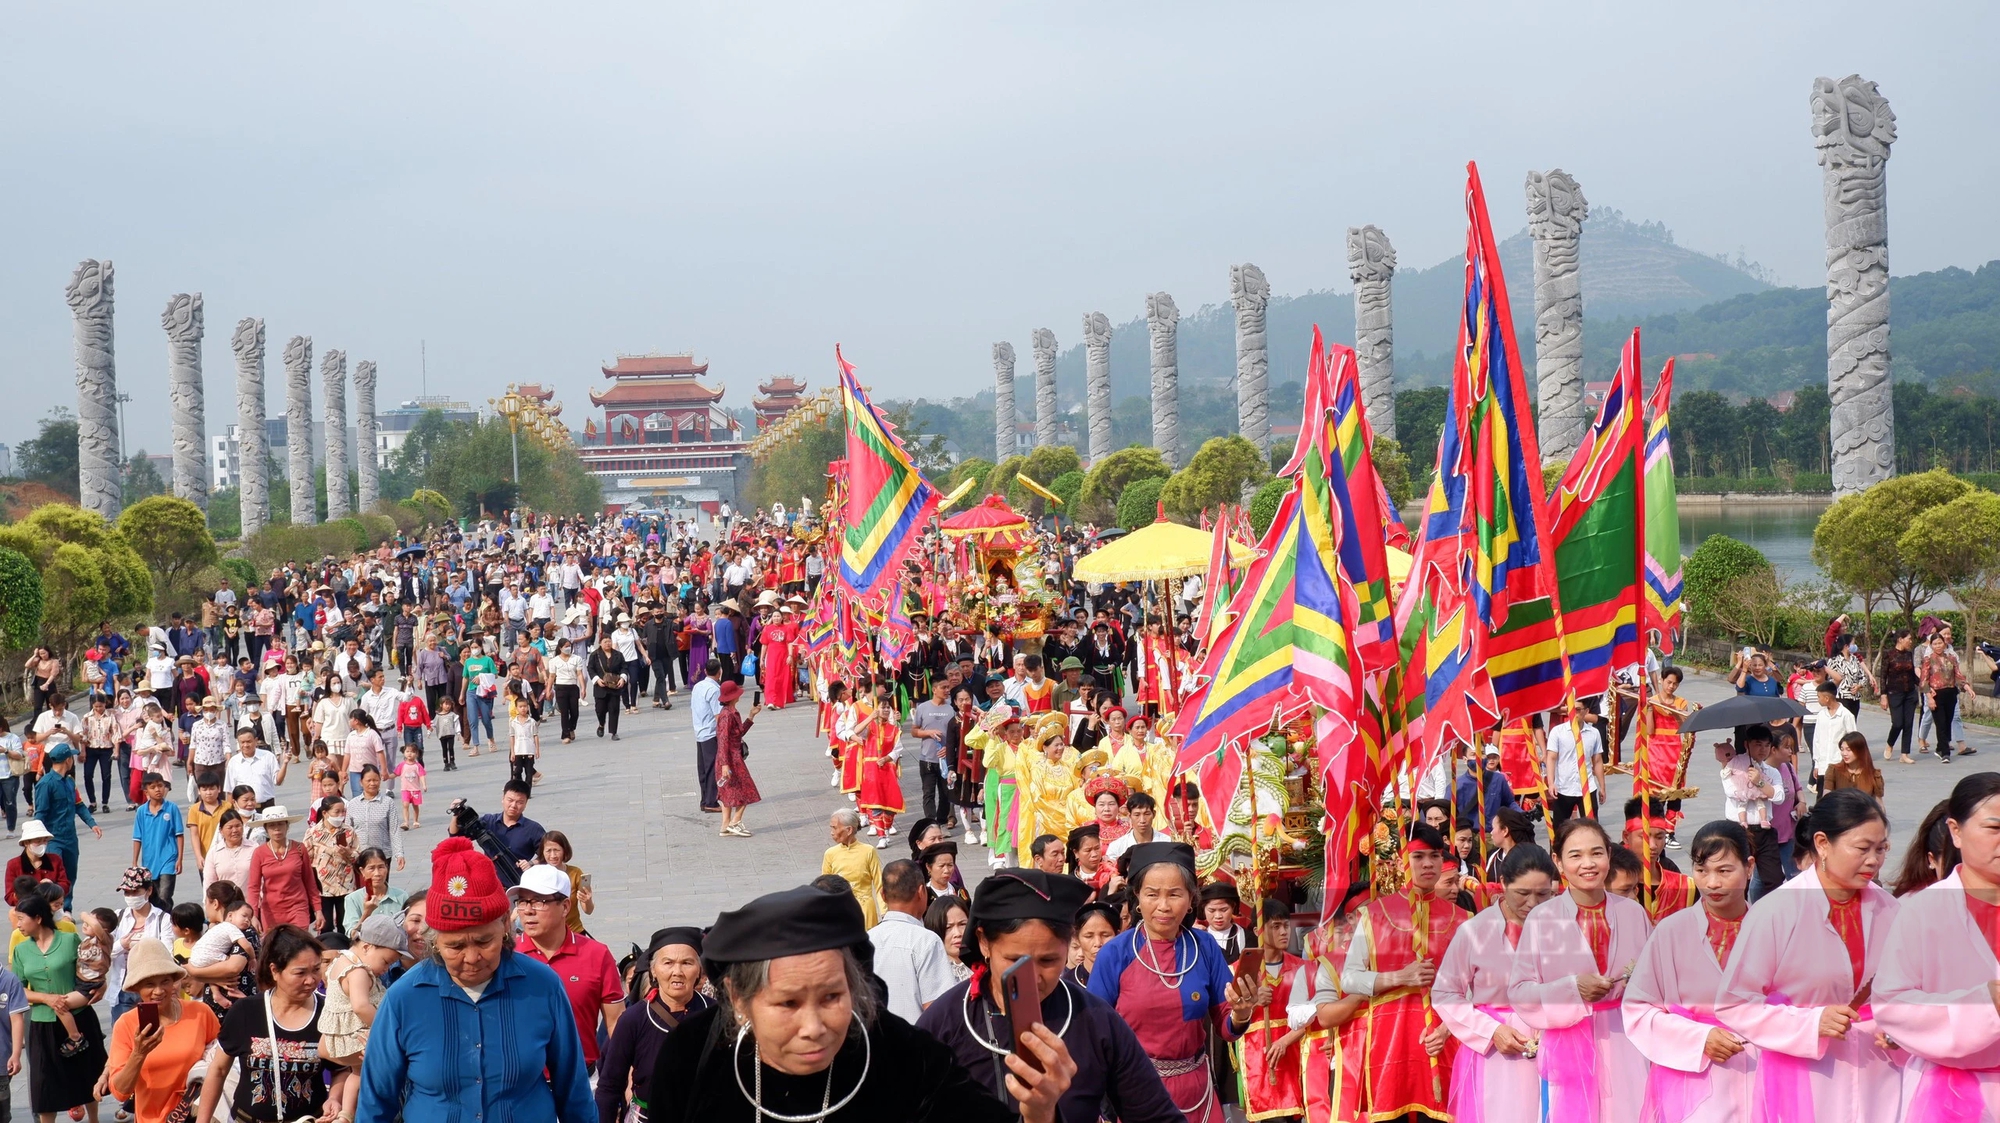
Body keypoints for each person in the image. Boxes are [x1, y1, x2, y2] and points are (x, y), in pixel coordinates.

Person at [647, 883, 1071, 1122]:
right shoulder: (694, 1055)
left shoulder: (905, 1056)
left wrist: (1039, 1112)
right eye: (788, 1004)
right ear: (740, 1001)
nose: (813, 1026)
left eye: (832, 996)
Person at [357, 836, 596, 1121]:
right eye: (455, 946)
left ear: (506, 927)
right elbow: (376, 1102)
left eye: (484, 942)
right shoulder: (404, 997)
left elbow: (574, 1090)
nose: (471, 958)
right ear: (432, 940)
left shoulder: (543, 986)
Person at [917, 867, 1180, 1121]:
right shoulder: (944, 1025)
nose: (1032, 978)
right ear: (984, 942)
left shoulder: (1096, 1021)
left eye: (1048, 961)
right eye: (1015, 961)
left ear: (1068, 947)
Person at [1715, 788, 1900, 1123]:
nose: (1874, 859)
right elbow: (1734, 1004)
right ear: (1822, 843)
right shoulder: (1776, 911)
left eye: (1881, 849)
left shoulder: (1891, 910)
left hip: (1880, 1073)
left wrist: (1902, 1025)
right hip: (1805, 1076)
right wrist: (1811, 1023)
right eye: (1862, 848)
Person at [1087, 842, 1257, 1122]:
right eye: (1152, 894)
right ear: (1137, 898)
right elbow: (1093, 1035)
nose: (1163, 906)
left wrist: (1241, 1012)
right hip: (1135, 1091)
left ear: (1192, 899)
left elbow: (1227, 1026)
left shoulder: (1203, 947)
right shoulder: (1115, 953)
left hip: (1198, 1092)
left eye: (1175, 894)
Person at [1507, 816, 1653, 1123]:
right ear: (1559, 862)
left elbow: (1656, 981)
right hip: (1567, 1047)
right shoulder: (1542, 919)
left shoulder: (1633, 913)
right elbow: (1520, 992)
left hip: (1626, 1042)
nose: (1588, 863)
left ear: (1609, 856)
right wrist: (1573, 989)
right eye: (1576, 855)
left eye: (1596, 853)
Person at [1876, 771, 2000, 1115]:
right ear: (1956, 832)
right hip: (1947, 1096)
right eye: (1994, 828)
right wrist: (1984, 1004)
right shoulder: (1921, 910)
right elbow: (1891, 1005)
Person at [1621, 820, 1756, 1123]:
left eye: (1724, 871)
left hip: (1763, 1077)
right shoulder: (1671, 932)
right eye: (1702, 870)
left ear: (1749, 867)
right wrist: (1699, 1038)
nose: (1712, 883)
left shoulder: (1774, 929)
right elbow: (1638, 1012)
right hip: (1692, 1082)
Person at [1337, 822, 1466, 1121]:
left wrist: (1448, 1029)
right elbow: (1350, 978)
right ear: (1401, 861)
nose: (1427, 864)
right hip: (1390, 1043)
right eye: (1418, 856)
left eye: (1434, 856)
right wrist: (1400, 978)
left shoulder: (1462, 919)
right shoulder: (1374, 914)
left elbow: (1474, 986)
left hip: (1444, 1039)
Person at [1434, 843, 1559, 1119]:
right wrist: (1491, 1031)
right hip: (1496, 1052)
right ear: (1502, 883)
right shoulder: (1474, 931)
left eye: (1543, 894)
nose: (1533, 904)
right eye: (1523, 894)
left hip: (1553, 1046)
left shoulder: (1562, 928)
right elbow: (1445, 993)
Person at [194, 924, 331, 1123]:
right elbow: (219, 1070)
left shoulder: (327, 1012)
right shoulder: (245, 1011)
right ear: (275, 971)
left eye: (316, 970)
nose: (311, 980)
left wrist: (335, 1099)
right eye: (300, 973)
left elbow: (341, 1070)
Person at [510, 864, 625, 1074]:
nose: (527, 910)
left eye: (539, 901)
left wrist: (623, 1075)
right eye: (523, 901)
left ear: (565, 907)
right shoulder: (506, 957)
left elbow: (616, 1021)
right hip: (522, 1085)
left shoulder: (597, 954)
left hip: (582, 1078)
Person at [597, 927, 711, 1123]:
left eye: (687, 963)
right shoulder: (634, 1019)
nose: (677, 972)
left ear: (699, 971)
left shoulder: (717, 1014)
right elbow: (610, 1086)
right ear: (654, 970)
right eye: (668, 963)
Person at [13, 892, 105, 1121]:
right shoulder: (21, 950)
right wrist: (45, 998)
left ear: (38, 918)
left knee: (88, 1073)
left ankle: (94, 1119)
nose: (18, 924)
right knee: (44, 1082)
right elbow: (19, 990)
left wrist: (99, 986)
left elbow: (89, 969)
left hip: (79, 1016)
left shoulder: (69, 940)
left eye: (21, 918)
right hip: (43, 1023)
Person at [105, 939, 219, 1123]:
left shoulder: (200, 1013)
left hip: (200, 1116)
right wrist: (139, 1054)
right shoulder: (126, 1024)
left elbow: (223, 1064)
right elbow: (120, 1092)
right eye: (149, 984)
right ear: (136, 988)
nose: (159, 991)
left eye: (165, 981)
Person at [867, 859, 957, 1023]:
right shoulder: (926, 941)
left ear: (883, 895)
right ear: (922, 892)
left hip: (871, 1043)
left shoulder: (866, 940)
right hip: (915, 1042)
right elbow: (938, 1010)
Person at [34, 744, 100, 909]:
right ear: (68, 760)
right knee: (55, 875)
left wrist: (92, 824)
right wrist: (36, 840)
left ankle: (66, 908)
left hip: (70, 837)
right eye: (72, 757)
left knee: (70, 875)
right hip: (52, 838)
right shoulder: (46, 784)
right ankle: (54, 909)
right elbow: (40, 813)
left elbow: (79, 805)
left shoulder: (70, 782)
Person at [244, 807, 318, 933]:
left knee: (299, 945)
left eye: (280, 824)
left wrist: (318, 909)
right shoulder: (259, 853)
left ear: (287, 826)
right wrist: (254, 915)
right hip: (271, 911)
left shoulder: (300, 849)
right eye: (272, 826)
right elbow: (253, 887)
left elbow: (310, 882)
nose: (277, 829)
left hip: (298, 907)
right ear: (266, 829)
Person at [1543, 701, 1605, 823]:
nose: (1574, 713)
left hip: (1588, 788)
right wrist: (1551, 783)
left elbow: (1597, 761)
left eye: (1578, 709)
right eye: (1572, 709)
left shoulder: (1594, 733)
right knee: (1560, 830)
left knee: (1591, 828)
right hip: (1563, 788)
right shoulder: (1558, 732)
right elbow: (1551, 758)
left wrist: (1602, 786)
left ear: (1586, 712)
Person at [716, 681, 762, 838]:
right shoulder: (727, 715)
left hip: (731, 758)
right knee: (746, 790)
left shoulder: (731, 712)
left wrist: (751, 716)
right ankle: (735, 822)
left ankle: (725, 825)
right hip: (730, 759)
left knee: (728, 792)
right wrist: (724, 764)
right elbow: (722, 741)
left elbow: (738, 733)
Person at [821, 809, 883, 927]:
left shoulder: (868, 851)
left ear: (849, 830)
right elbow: (824, 887)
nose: (831, 832)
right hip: (840, 911)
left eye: (834, 828)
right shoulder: (830, 854)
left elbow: (879, 883)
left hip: (865, 911)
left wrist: (885, 912)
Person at [342, 848, 407, 938]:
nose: (377, 873)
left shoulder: (402, 896)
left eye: (381, 867)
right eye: (371, 868)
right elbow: (353, 935)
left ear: (387, 868)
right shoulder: (352, 899)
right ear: (362, 871)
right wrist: (367, 913)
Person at [7, 820, 68, 906]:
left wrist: (52, 886)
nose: (42, 844)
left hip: (52, 907)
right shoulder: (14, 864)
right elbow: (9, 896)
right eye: (38, 841)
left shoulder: (55, 859)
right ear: (26, 843)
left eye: (44, 840)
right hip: (27, 908)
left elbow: (65, 884)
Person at [692, 659, 723, 813]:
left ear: (705, 671)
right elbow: (718, 715)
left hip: (699, 731)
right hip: (711, 733)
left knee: (703, 768)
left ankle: (704, 800)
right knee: (712, 768)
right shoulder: (715, 690)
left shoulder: (698, 686)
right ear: (720, 672)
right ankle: (711, 801)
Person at [588, 633, 628, 740]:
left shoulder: (618, 655)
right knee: (600, 709)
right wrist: (596, 679)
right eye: (605, 641)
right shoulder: (595, 655)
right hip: (601, 687)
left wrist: (623, 678)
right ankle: (601, 724)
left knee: (614, 709)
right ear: (600, 643)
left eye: (609, 641)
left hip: (614, 686)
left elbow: (624, 667)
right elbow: (590, 669)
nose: (608, 643)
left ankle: (613, 732)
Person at [1823, 732, 1884, 797]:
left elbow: (1878, 803)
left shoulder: (1873, 775)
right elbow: (1826, 795)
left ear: (1860, 751)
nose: (1844, 753)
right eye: (1842, 749)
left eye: (1848, 750)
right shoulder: (1833, 770)